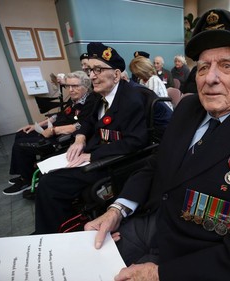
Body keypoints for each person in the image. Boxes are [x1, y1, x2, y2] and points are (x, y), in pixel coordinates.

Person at [84, 9, 230, 280]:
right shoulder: (188, 107)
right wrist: (117, 209)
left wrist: (163, 274)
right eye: (204, 67)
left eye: (226, 66)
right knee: (83, 263)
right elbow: (157, 165)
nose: (210, 78)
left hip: (201, 257)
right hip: (153, 222)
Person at [33, 42, 149, 234]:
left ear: (117, 74)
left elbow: (136, 141)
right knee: (47, 174)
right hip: (93, 153)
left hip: (112, 162)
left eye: (98, 69)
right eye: (89, 70)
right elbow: (86, 121)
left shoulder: (131, 100)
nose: (92, 76)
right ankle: (62, 227)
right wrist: (79, 139)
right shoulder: (98, 96)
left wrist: (92, 157)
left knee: (49, 185)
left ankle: (52, 236)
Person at [3, 71, 97, 195]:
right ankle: (26, 172)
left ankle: (25, 180)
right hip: (53, 130)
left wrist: (54, 130)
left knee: (21, 145)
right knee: (22, 133)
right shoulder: (74, 99)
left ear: (86, 86)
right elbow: (59, 115)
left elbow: (81, 125)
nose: (71, 90)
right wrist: (37, 125)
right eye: (68, 86)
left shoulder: (90, 101)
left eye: (75, 86)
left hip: (62, 137)